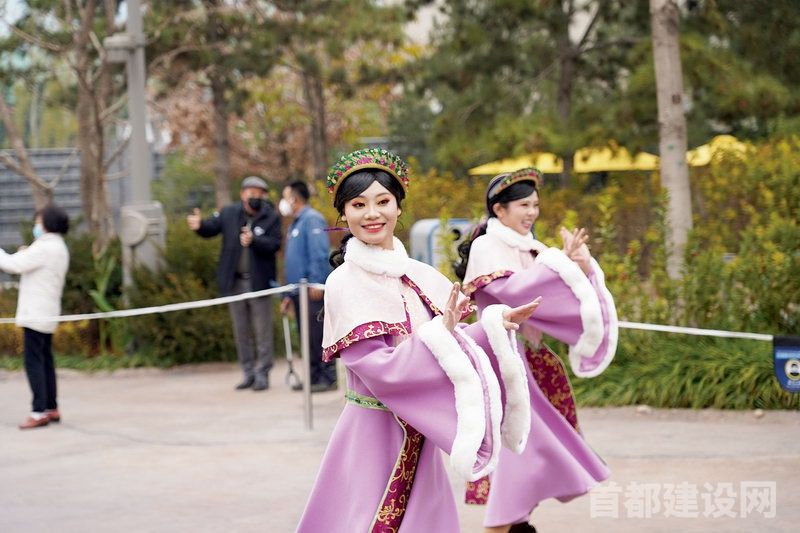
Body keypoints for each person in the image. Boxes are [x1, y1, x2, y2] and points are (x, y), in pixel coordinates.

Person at [296, 148, 543, 532]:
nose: (372, 213)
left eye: (383, 202)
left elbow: (450, 340)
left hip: (417, 433)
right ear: (343, 214)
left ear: (399, 207)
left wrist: (493, 326)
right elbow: (378, 368)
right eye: (358, 205)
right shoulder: (345, 281)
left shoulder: (419, 275)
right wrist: (441, 335)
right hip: (374, 433)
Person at [454, 168, 618, 532]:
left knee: (531, 451)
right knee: (517, 452)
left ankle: (517, 523)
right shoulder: (487, 247)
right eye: (523, 205)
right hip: (500, 364)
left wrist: (578, 265)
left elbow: (554, 295)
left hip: (528, 362)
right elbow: (516, 292)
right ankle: (502, 524)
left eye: (535, 205)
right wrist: (560, 265)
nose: (531, 212)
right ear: (499, 210)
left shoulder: (534, 249)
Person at [187, 176, 281, 391]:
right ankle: (248, 373)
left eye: (260, 193)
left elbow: (275, 244)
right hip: (235, 283)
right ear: (242, 194)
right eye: (251, 193)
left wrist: (254, 241)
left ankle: (262, 373)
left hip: (258, 283)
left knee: (262, 332)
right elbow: (211, 227)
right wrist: (199, 225)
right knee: (241, 332)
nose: (255, 197)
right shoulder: (229, 213)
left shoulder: (271, 217)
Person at [0, 204, 70, 430]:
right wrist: (25, 252)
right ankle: (50, 407)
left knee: (34, 363)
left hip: (35, 314)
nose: (36, 225)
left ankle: (38, 411)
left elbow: (12, 265)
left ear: (48, 223)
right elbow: (29, 262)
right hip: (47, 313)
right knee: (45, 360)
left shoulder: (44, 247)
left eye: (39, 221)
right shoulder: (57, 246)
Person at [278, 180, 337, 392]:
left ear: (294, 198)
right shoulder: (296, 223)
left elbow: (319, 253)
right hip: (298, 292)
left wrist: (316, 281)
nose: (283, 202)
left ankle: (327, 377)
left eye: (285, 196)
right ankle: (313, 377)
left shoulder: (312, 219)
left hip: (312, 290)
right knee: (306, 336)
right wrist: (288, 294)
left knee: (317, 335)